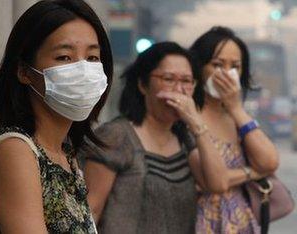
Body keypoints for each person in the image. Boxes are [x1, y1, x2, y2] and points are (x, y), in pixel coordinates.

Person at [0, 0, 112, 233]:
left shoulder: (64, 155)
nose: (82, 70)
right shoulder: (15, 150)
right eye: (64, 57)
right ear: (24, 71)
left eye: (92, 58)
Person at [81, 42, 233, 234]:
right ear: (143, 85)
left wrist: (197, 124)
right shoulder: (117, 135)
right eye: (168, 79)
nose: (178, 89)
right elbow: (90, 211)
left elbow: (218, 183)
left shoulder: (185, 138)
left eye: (187, 81)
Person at [190, 26, 280, 233]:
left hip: (240, 222)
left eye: (235, 67)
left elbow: (270, 161)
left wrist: (236, 108)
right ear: (199, 67)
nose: (227, 74)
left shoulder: (236, 117)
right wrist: (253, 172)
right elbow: (216, 181)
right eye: (217, 64)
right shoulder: (188, 116)